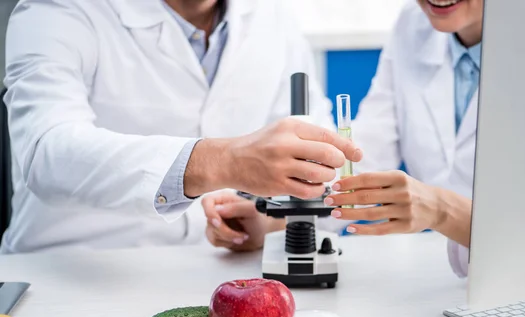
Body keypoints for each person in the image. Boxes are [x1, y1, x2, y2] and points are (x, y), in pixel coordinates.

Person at [0, 0, 362, 254]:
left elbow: (318, 153)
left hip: (212, 271)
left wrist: (269, 221)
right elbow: (46, 151)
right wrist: (221, 161)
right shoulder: (58, 10)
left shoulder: (273, 14)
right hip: (69, 272)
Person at [202, 0, 482, 277]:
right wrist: (273, 222)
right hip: (432, 280)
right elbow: (358, 164)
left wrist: (444, 212)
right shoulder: (414, 24)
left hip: (515, 288)